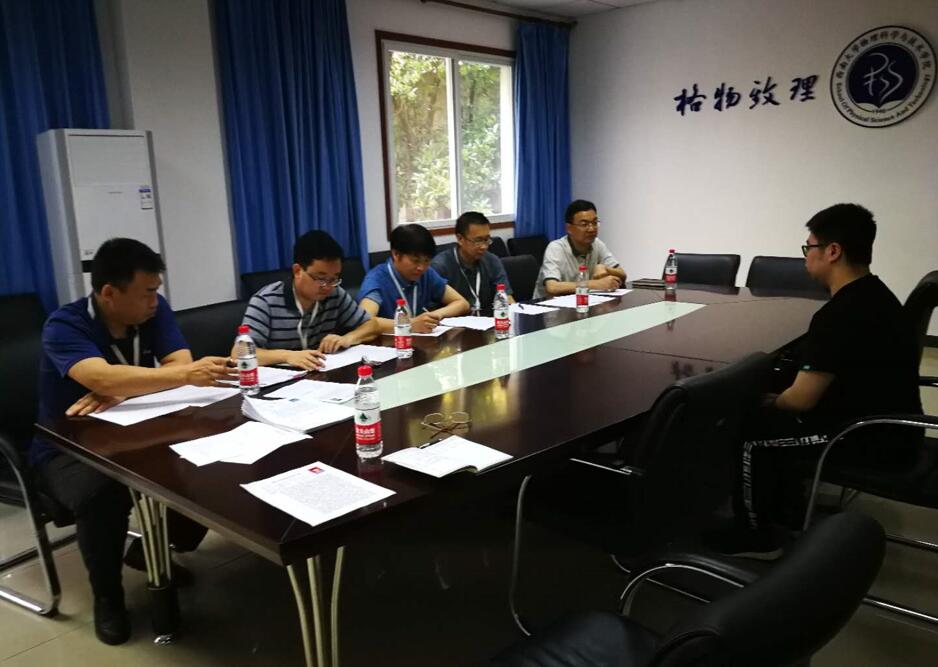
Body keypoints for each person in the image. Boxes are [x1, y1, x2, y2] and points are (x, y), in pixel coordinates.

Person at [33, 238, 233, 645]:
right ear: (109, 292)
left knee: (209, 456)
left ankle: (156, 547)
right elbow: (103, 376)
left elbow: (177, 362)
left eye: (156, 290)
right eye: (146, 292)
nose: (154, 300)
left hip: (140, 432)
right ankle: (108, 597)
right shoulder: (65, 325)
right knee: (101, 494)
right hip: (68, 446)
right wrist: (122, 382)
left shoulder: (152, 311)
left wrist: (123, 388)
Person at [712, 204, 923, 559]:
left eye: (808, 247)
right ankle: (787, 510)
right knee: (772, 413)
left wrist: (770, 399)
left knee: (752, 432)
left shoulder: (839, 314)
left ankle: (756, 535)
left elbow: (800, 400)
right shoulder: (876, 294)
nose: (806, 256)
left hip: (869, 438)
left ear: (833, 251)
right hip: (894, 426)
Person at [240, 230, 380, 370]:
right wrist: (287, 356)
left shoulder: (335, 294)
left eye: (333, 279)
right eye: (321, 278)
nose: (327, 286)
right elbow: (240, 352)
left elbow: (371, 325)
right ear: (297, 271)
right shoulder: (266, 302)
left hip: (319, 373)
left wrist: (347, 338)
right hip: (280, 378)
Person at [358, 223, 469, 333]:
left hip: (418, 339)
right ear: (396, 254)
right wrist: (410, 324)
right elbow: (365, 322)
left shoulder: (426, 273)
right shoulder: (376, 279)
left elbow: (462, 303)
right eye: (415, 261)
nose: (421, 267)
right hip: (389, 342)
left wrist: (433, 316)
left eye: (426, 261)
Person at [533, 199, 626, 299]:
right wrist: (595, 284)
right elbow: (552, 287)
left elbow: (622, 274)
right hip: (547, 306)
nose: (591, 229)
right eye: (584, 224)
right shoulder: (556, 248)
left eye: (594, 223)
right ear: (569, 228)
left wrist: (606, 268)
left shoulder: (597, 244)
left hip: (582, 303)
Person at [430, 211, 515, 313]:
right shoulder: (439, 267)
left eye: (487, 239)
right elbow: (431, 311)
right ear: (460, 239)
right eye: (478, 240)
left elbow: (506, 297)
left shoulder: (492, 261)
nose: (484, 246)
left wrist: (514, 313)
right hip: (455, 321)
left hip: (489, 320)